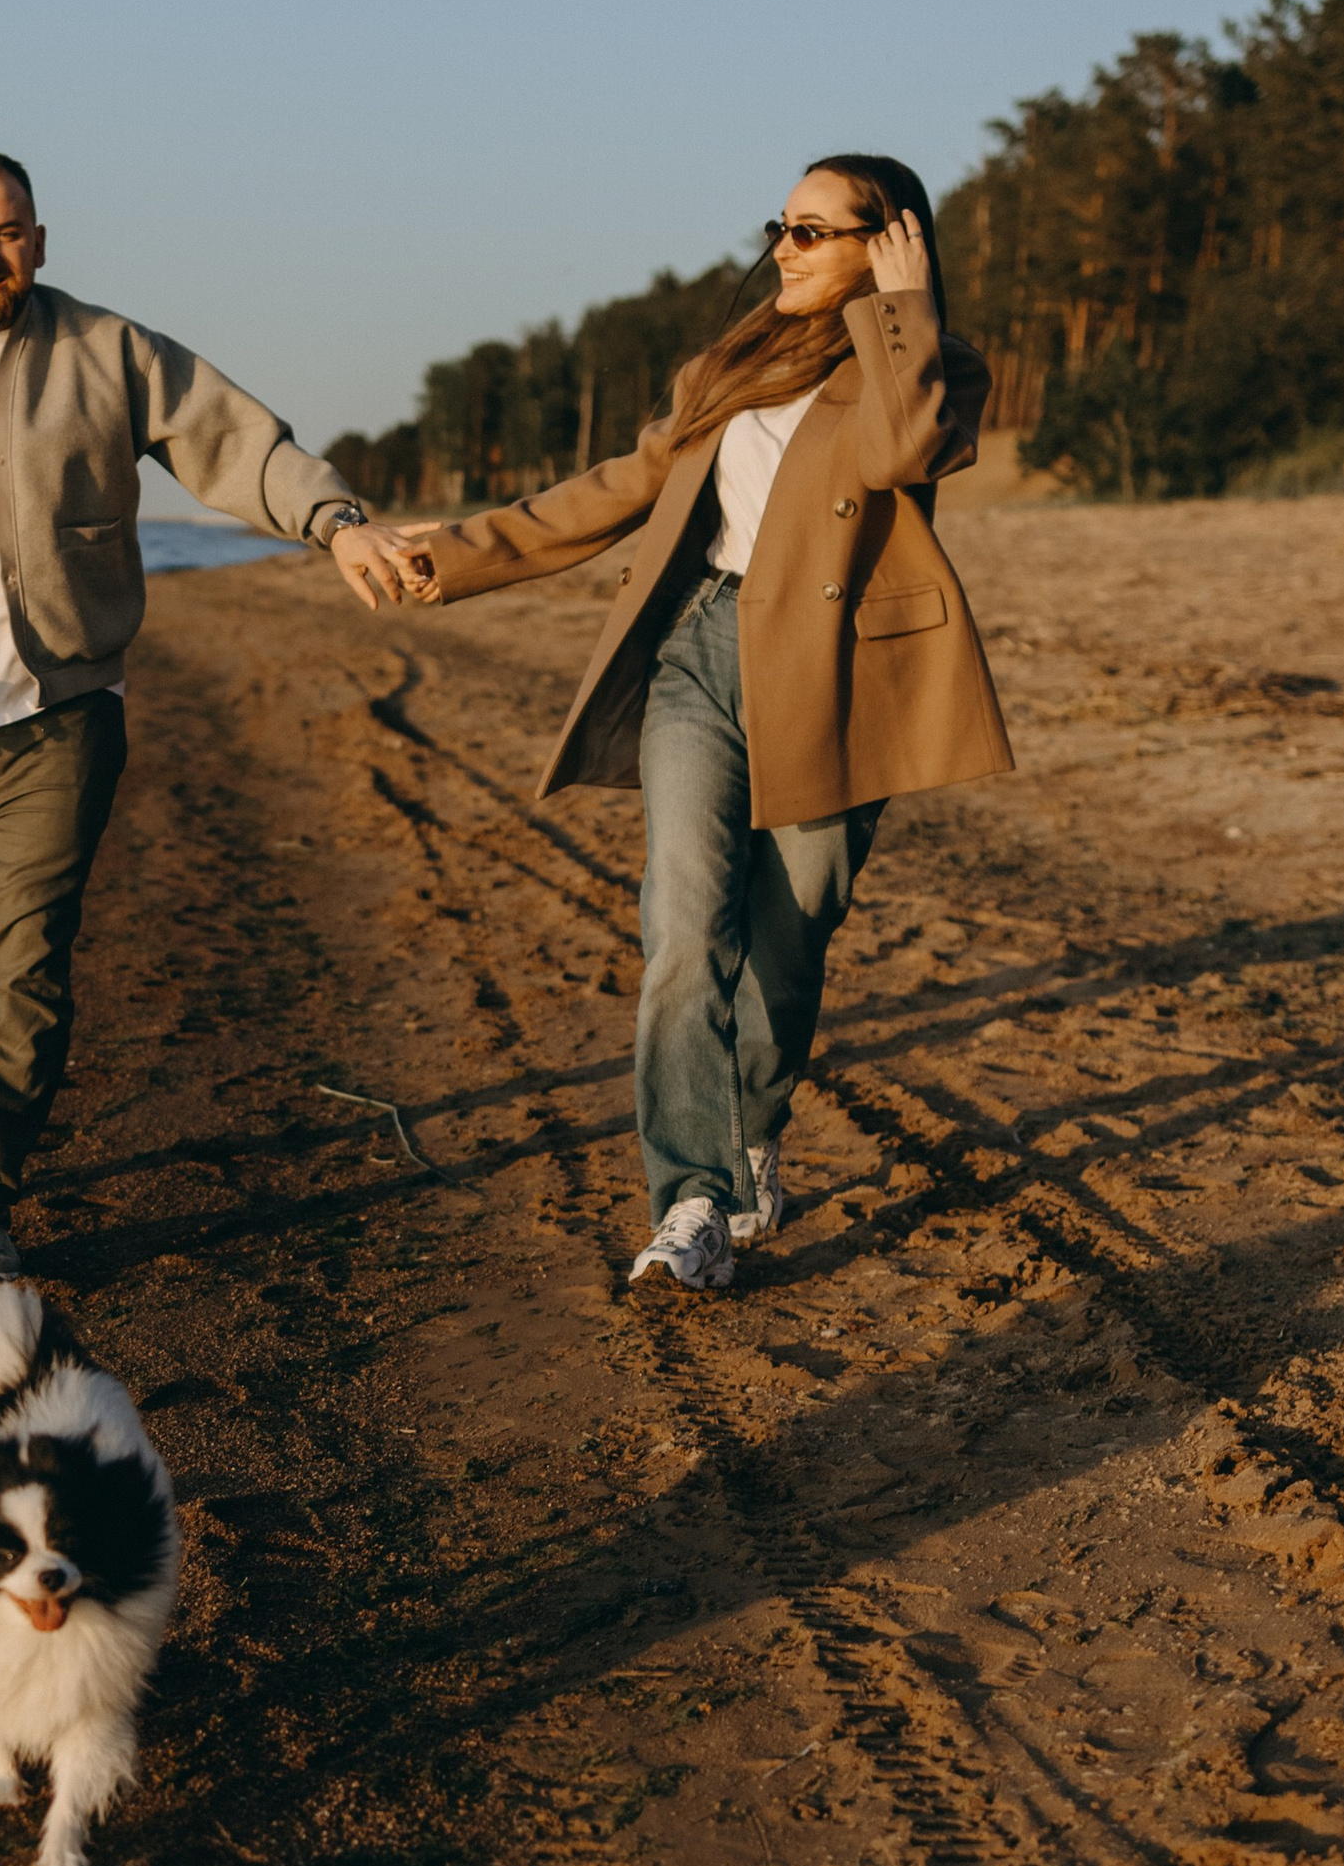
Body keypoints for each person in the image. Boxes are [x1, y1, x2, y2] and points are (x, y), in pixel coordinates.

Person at [0, 147, 411, 1285]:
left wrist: (334, 520)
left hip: (58, 712)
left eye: (5, 233)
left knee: (25, 972)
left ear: (38, 241)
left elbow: (237, 443)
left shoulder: (107, 352)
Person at [380, 154, 1014, 1291]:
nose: (784, 246)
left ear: (888, 245)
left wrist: (903, 314)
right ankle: (690, 1199)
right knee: (682, 925)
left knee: (789, 937)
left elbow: (901, 454)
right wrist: (457, 556)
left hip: (835, 674)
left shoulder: (932, 364)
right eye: (783, 224)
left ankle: (751, 1133)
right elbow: (614, 490)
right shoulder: (728, 363)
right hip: (701, 652)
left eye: (816, 233)